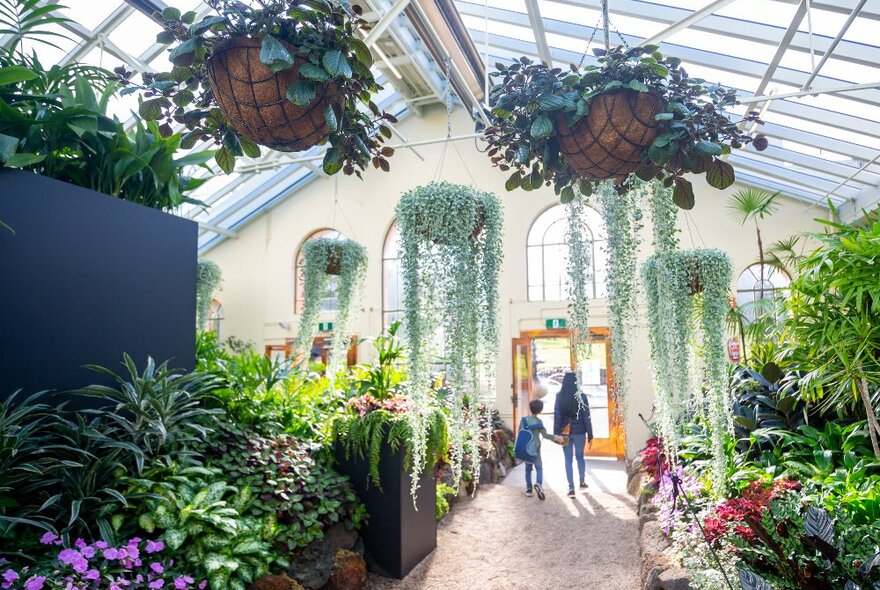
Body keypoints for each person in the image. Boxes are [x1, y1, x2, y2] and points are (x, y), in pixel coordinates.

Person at [554, 371, 594, 497]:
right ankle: (582, 482)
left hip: (565, 433)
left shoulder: (559, 396)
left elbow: (557, 416)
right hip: (580, 432)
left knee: (568, 460)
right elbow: (586, 416)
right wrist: (590, 435)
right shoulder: (582, 396)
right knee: (580, 457)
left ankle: (571, 489)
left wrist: (556, 433)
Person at [520, 399, 562, 500]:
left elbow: (520, 434)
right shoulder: (539, 422)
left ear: (530, 408)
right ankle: (539, 484)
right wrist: (556, 438)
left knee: (528, 469)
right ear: (540, 410)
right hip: (536, 449)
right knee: (539, 468)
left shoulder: (524, 420)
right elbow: (545, 435)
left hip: (526, 448)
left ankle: (529, 489)